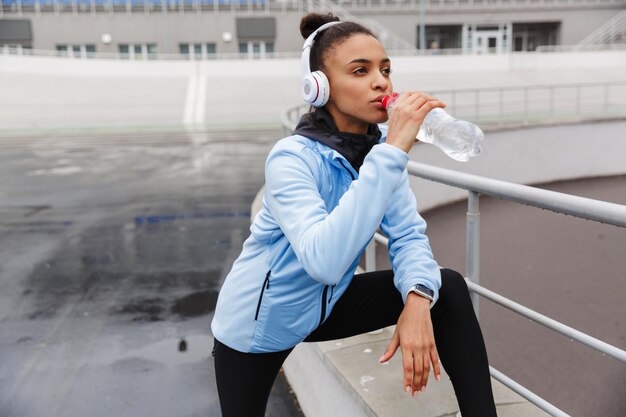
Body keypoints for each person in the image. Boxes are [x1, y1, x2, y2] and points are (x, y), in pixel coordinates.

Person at [211, 12, 497, 417]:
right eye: (360, 71)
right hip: (259, 325)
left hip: (326, 307)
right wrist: (393, 151)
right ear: (319, 88)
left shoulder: (378, 152)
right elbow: (323, 261)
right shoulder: (291, 158)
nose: (381, 82)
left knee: (445, 288)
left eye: (385, 69)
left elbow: (408, 236)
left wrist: (417, 299)